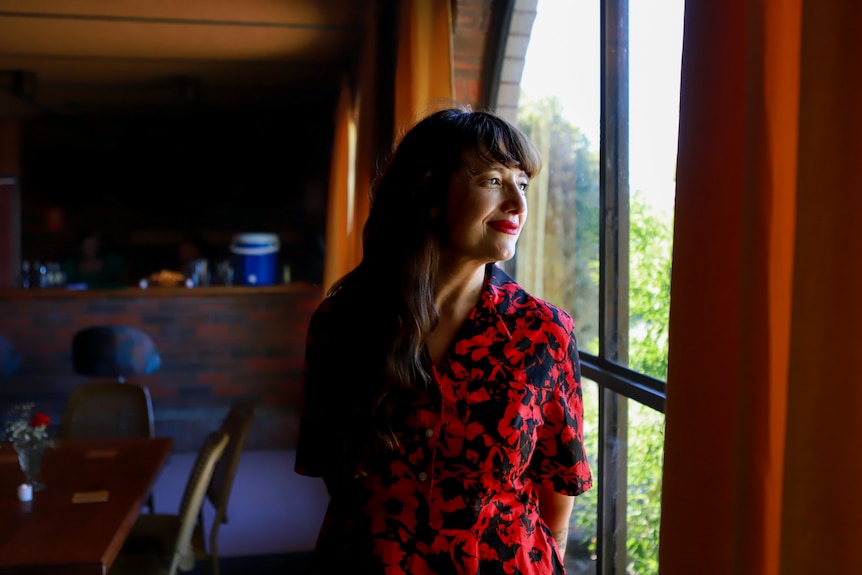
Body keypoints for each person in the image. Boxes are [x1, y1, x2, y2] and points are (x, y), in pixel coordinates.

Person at [294, 107, 593, 574]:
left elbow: (559, 487)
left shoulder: (543, 333)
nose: (518, 203)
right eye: (494, 181)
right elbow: (334, 467)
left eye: (523, 184)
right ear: (429, 191)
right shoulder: (344, 321)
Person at [61, 230, 127, 289]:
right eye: (87, 246)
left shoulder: (111, 263)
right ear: (81, 247)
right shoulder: (71, 266)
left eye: (93, 246)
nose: (91, 249)